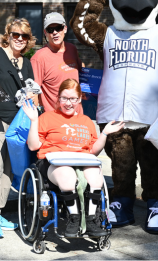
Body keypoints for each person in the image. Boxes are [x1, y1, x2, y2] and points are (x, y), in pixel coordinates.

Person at [23, 78, 124, 237]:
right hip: (53, 162)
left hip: (81, 160)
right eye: (64, 98)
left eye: (73, 99)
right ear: (58, 98)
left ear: (79, 99)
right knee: (67, 175)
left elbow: (93, 151)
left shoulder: (85, 121)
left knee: (95, 176)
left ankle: (91, 219)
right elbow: (33, 146)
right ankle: (74, 218)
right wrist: (34, 120)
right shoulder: (47, 117)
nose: (68, 103)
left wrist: (105, 133)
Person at [0, 18, 37, 238]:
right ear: (8, 35)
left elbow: (31, 90)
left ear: (29, 39)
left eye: (24, 36)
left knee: (6, 171)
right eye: (15, 34)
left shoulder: (26, 63)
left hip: (17, 124)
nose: (19, 39)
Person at [31, 12, 83, 112]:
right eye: (50, 30)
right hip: (55, 119)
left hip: (77, 116)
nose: (55, 32)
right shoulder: (39, 58)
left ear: (65, 29)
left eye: (58, 28)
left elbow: (80, 70)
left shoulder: (72, 49)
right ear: (45, 33)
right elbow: (34, 92)